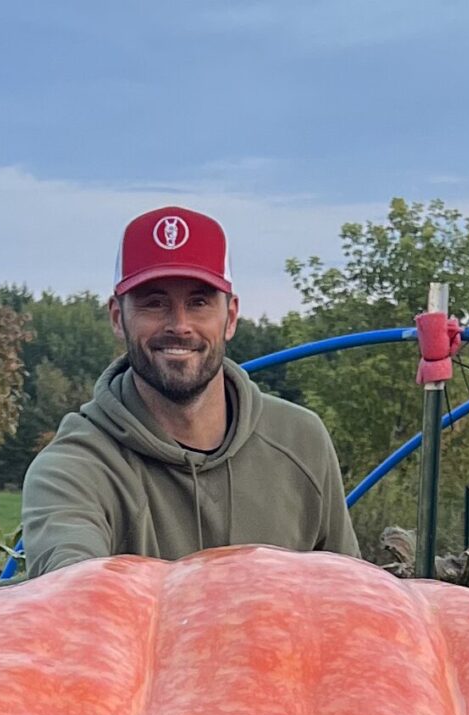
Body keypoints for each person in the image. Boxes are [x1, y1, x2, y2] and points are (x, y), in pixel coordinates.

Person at [18, 206, 359, 577]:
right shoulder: (72, 469)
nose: (179, 325)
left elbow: (352, 601)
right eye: (154, 303)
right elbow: (77, 598)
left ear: (229, 318)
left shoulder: (300, 442)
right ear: (118, 318)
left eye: (198, 303)